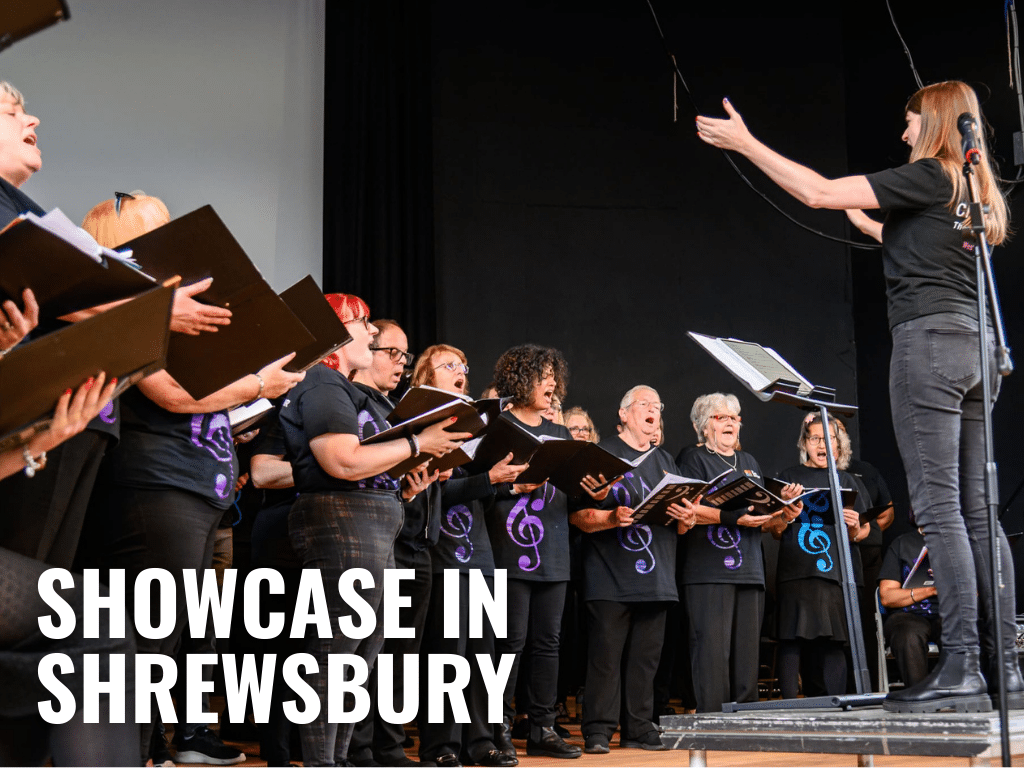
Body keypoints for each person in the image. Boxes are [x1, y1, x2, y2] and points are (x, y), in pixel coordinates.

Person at [697, 80, 1017, 713]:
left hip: (928, 346)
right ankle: (1003, 665)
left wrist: (747, 143)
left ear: (934, 122)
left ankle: (961, 665)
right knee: (980, 513)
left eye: (909, 121)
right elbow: (927, 254)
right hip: (978, 350)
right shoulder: (973, 190)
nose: (902, 133)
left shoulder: (929, 172)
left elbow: (816, 191)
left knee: (941, 508)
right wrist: (873, 225)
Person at [77, 193, 305, 765]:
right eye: (160, 230)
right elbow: (173, 396)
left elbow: (196, 402)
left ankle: (150, 748)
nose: (176, 239)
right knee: (145, 637)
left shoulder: (172, 318)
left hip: (200, 488)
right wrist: (258, 387)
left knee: (171, 636)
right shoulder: (122, 310)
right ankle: (127, 753)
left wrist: (240, 409)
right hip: (156, 485)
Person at [278, 294, 471, 766]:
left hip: (372, 520)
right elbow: (340, 459)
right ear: (337, 333)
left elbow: (367, 467)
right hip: (340, 521)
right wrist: (416, 442)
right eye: (363, 323)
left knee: (362, 655)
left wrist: (407, 482)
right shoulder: (323, 382)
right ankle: (323, 761)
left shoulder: (355, 392)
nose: (371, 332)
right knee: (335, 651)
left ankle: (339, 759)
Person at [412, 344, 524, 768]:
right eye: (450, 365)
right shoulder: (422, 424)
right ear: (426, 375)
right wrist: (488, 479)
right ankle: (441, 745)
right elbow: (436, 488)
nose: (462, 371)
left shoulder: (475, 425)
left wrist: (506, 481)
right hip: (440, 553)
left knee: (482, 655)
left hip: (479, 551)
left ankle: (481, 740)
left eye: (464, 365)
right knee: (447, 655)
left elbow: (478, 486)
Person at [571, 386, 694, 754]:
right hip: (610, 576)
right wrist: (609, 517)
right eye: (644, 404)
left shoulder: (667, 462)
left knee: (645, 660)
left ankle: (639, 728)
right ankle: (598, 730)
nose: (653, 410)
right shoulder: (601, 454)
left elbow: (683, 526)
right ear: (624, 414)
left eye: (658, 405)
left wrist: (687, 519)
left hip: (657, 578)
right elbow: (576, 516)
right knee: (605, 658)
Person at [674, 393, 799, 713]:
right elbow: (688, 509)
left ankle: (745, 718)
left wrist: (783, 512)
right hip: (708, 570)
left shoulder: (750, 463)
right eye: (721, 417)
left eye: (735, 417)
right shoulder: (693, 457)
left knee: (746, 653)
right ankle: (713, 719)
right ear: (704, 427)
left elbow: (763, 523)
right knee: (711, 652)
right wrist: (733, 517)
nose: (731, 421)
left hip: (750, 570)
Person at [487, 344, 582, 760]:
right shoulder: (496, 427)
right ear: (519, 380)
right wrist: (511, 487)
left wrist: (588, 487)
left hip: (554, 552)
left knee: (548, 643)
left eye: (553, 375)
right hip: (508, 551)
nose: (552, 384)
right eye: (542, 375)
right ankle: (498, 727)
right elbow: (476, 492)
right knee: (510, 642)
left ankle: (542, 727)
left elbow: (569, 492)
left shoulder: (560, 433)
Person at [769, 415, 868, 699]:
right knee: (790, 638)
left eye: (829, 439)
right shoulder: (789, 477)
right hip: (795, 572)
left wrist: (854, 527)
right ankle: (788, 705)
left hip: (835, 574)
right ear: (804, 444)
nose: (822, 444)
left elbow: (859, 534)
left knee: (834, 640)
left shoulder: (846, 480)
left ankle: (836, 707)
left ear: (838, 445)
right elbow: (774, 530)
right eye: (815, 438)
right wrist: (786, 515)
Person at [879, 525, 940, 687]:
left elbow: (975, 593)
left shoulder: (958, 542)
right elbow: (886, 597)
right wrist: (929, 590)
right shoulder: (902, 543)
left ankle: (958, 691)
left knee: (961, 629)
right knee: (908, 634)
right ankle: (918, 693)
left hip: (949, 612)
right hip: (908, 613)